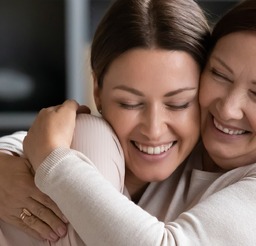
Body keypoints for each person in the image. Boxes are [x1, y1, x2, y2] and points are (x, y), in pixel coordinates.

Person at [1, 0, 256, 245]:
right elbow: (34, 141)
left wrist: (53, 161)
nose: (227, 109)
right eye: (220, 75)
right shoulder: (182, 147)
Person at [0, 0, 210, 244]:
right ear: (97, 91)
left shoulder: (224, 178)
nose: (154, 129)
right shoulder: (91, 139)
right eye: (130, 103)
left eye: (178, 103)